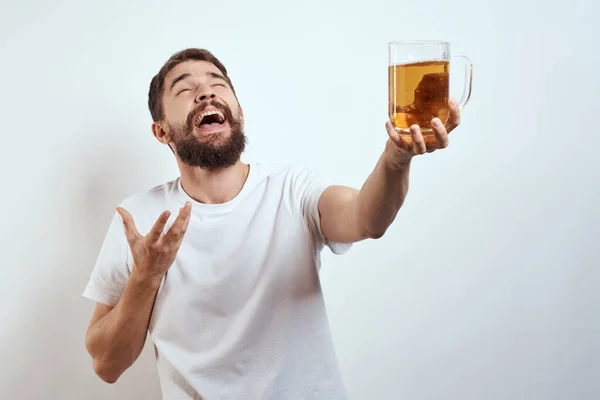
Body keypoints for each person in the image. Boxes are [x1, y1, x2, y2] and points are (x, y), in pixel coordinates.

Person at [82, 48, 462, 399]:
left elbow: (365, 218)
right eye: (185, 90)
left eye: (218, 84)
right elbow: (107, 365)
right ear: (161, 131)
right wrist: (145, 278)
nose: (206, 93)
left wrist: (395, 160)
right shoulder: (141, 220)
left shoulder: (291, 189)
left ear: (238, 112)